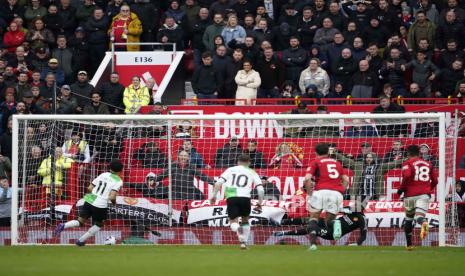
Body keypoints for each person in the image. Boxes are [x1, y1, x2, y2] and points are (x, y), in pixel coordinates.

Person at [54, 159, 123, 246]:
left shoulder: (103, 174)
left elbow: (90, 188)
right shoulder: (118, 181)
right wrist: (113, 203)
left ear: (110, 168)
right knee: (98, 224)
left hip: (90, 198)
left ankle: (63, 225)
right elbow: (112, 196)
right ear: (121, 170)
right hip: (100, 203)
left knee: (80, 221)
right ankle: (80, 241)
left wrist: (92, 197)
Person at [209, 154, 264, 249]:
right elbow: (261, 190)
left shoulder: (230, 169)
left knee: (233, 221)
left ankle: (238, 229)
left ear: (238, 162)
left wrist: (213, 196)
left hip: (232, 196)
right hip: (245, 197)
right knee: (245, 219)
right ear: (249, 163)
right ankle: (243, 243)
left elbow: (218, 183)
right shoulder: (252, 171)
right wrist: (259, 203)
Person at [305, 143, 349, 250]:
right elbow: (346, 179)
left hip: (321, 192)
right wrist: (341, 191)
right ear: (328, 152)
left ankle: (313, 245)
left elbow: (307, 178)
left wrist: (309, 193)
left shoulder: (316, 162)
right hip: (336, 194)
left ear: (315, 152)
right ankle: (336, 222)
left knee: (313, 219)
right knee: (328, 222)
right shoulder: (337, 163)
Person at [398, 145, 437, 250]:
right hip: (423, 195)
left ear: (408, 154)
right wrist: (428, 189)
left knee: (409, 219)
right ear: (419, 153)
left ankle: (409, 245)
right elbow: (435, 181)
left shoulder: (407, 163)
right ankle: (423, 222)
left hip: (409, 196)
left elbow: (406, 175)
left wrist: (401, 188)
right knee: (419, 216)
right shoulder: (429, 164)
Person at [273, 207, 367, 246]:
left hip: (332, 233)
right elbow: (337, 209)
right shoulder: (351, 210)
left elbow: (363, 235)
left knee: (311, 229)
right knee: (310, 219)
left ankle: (284, 233)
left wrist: (357, 244)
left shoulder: (362, 219)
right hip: (330, 223)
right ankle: (281, 222)